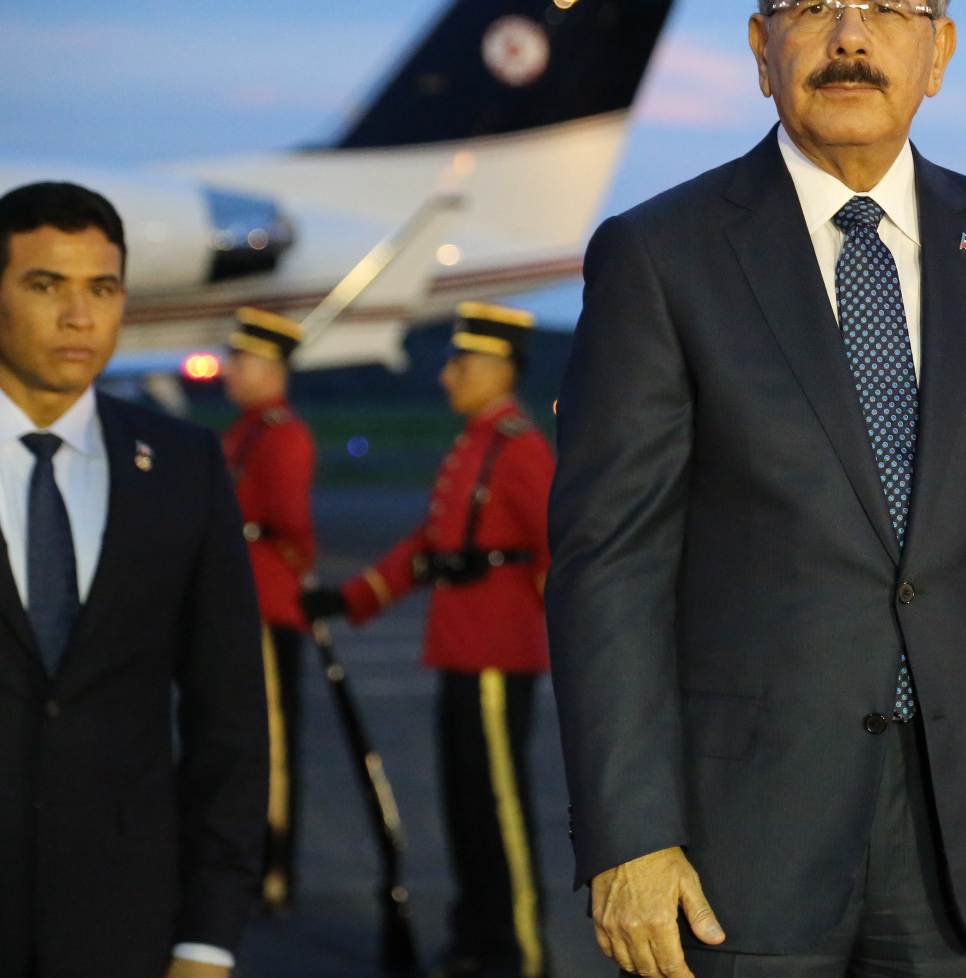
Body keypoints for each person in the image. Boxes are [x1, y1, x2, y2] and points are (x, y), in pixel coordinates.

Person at [547, 0, 966, 978]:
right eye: (812, 5)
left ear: (938, 50)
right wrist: (628, 833)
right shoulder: (661, 256)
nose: (850, 37)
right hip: (735, 845)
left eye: (887, 8)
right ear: (760, 47)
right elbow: (609, 566)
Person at [0, 181, 267, 978]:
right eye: (46, 285)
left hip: (125, 930)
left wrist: (207, 940)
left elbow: (229, 719)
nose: (79, 316)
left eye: (103, 288)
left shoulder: (184, 466)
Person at [302, 302, 554, 978]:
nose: (448, 376)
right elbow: (432, 543)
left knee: (497, 808)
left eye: (461, 363)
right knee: (467, 806)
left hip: (498, 653)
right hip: (465, 649)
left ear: (500, 369)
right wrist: (353, 596)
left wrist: (569, 638)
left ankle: (520, 952)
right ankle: (479, 939)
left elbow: (559, 549)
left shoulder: (519, 448)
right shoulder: (478, 442)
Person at [222, 306, 317, 912]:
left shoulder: (280, 434)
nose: (229, 371)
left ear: (268, 367)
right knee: (243, 740)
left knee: (272, 744)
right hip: (245, 600)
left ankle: (273, 868)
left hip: (267, 603)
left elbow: (291, 525)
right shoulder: (247, 431)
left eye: (239, 360)